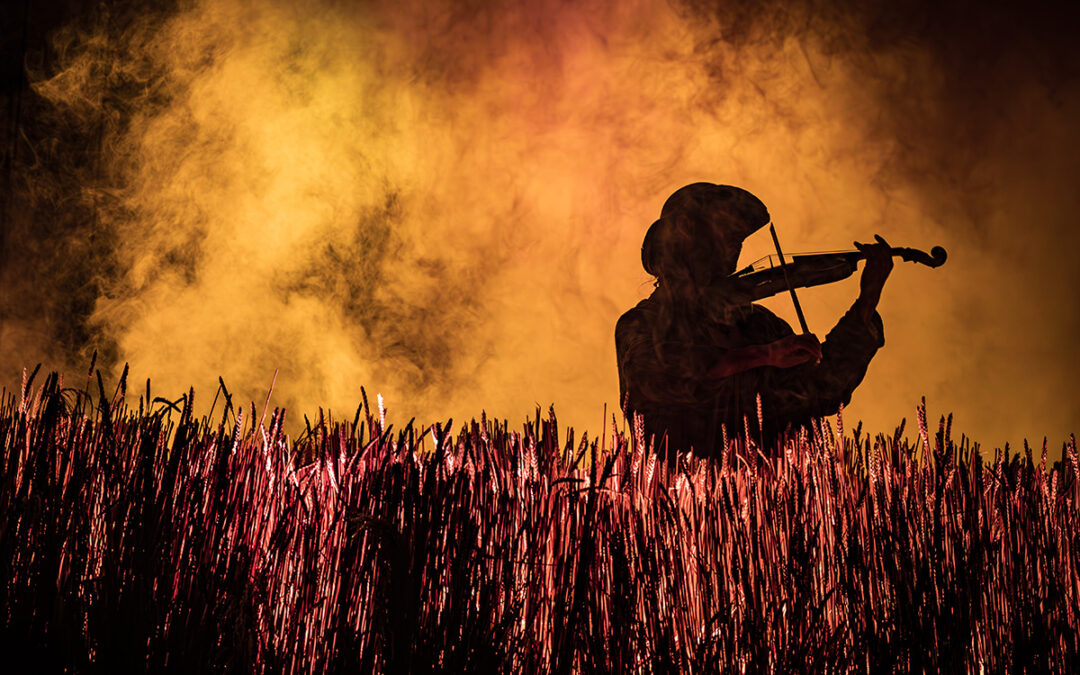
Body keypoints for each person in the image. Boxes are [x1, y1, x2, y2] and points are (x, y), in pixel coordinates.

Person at [615, 183, 894, 459]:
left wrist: (867, 302)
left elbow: (819, 392)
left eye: (738, 241)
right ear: (685, 230)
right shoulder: (642, 323)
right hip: (682, 495)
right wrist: (764, 355)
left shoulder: (761, 326)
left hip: (766, 493)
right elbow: (658, 378)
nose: (733, 250)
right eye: (726, 234)